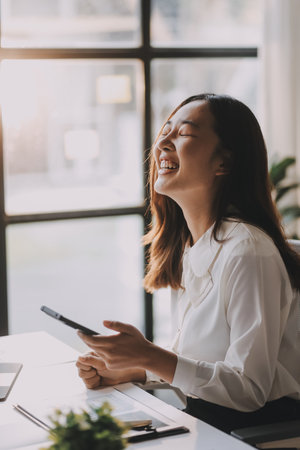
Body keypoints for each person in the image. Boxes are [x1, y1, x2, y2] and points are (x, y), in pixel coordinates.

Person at [76, 94, 300, 434]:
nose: (162, 142)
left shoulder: (248, 252)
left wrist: (149, 356)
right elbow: (203, 364)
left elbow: (249, 390)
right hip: (204, 422)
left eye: (184, 133)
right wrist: (135, 368)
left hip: (251, 432)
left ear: (223, 162)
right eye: (165, 131)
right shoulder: (193, 247)